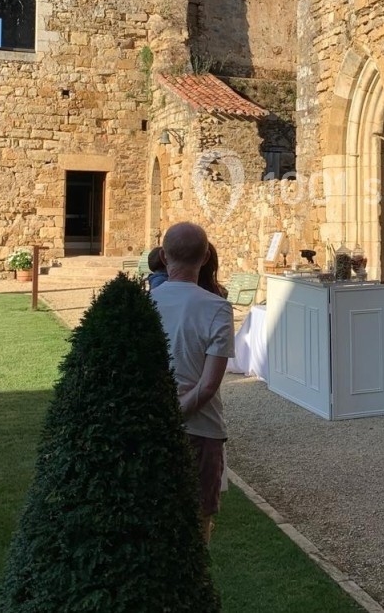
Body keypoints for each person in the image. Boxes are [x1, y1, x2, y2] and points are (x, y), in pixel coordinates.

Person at [150, 223, 234, 541]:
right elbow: (208, 385)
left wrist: (161, 416)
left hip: (152, 425)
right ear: (205, 257)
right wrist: (177, 413)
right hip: (201, 428)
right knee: (198, 526)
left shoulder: (145, 303)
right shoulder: (218, 308)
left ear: (162, 255)